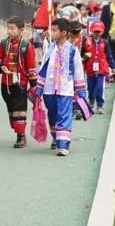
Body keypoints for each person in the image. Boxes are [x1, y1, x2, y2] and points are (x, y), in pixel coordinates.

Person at [34, 18, 89, 156]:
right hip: (49, 89)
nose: (51, 33)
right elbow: (44, 68)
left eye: (54, 30)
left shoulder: (73, 50)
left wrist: (80, 90)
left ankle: (63, 145)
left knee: (64, 115)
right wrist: (39, 88)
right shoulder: (50, 49)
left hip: (65, 89)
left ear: (64, 33)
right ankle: (56, 138)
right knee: (52, 116)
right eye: (51, 30)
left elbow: (78, 70)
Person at [0, 17, 37, 148]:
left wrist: (34, 86)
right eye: (8, 28)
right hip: (6, 83)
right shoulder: (3, 43)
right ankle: (18, 129)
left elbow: (31, 67)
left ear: (21, 30)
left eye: (12, 28)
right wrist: (2, 66)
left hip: (21, 83)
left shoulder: (26, 46)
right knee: (11, 109)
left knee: (19, 110)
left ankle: (21, 136)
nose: (9, 31)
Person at [86, 21, 115, 114]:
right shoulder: (87, 42)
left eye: (99, 32)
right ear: (91, 31)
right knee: (90, 87)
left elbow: (109, 55)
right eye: (95, 31)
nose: (97, 34)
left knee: (99, 87)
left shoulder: (104, 43)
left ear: (102, 32)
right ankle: (91, 99)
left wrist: (113, 66)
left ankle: (100, 105)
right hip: (90, 68)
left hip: (101, 69)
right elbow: (83, 54)